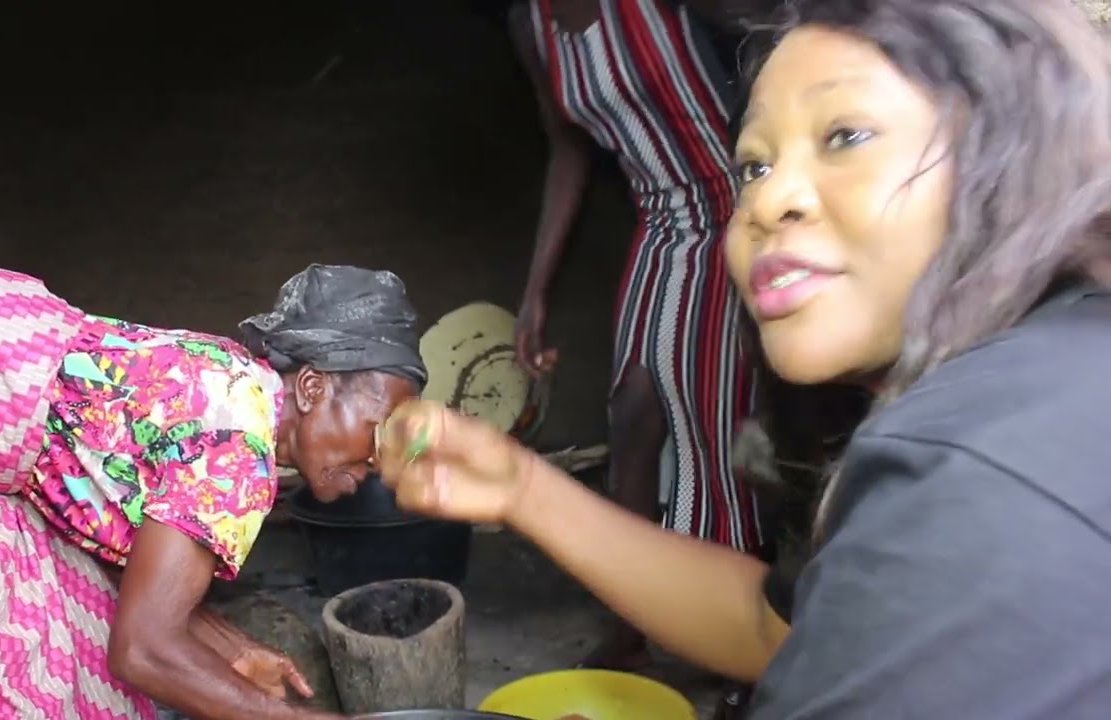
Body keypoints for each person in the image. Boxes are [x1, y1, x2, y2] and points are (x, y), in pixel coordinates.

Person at [378, 0, 1111, 716]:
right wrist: (521, 488)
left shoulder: (977, 469)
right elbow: (779, 634)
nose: (768, 201)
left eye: (846, 135)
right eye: (753, 167)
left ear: (1008, 151)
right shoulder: (1047, 377)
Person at [0, 244, 426, 720]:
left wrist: (233, 649)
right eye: (380, 433)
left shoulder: (236, 392)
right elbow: (143, 650)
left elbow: (148, 585)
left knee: (72, 637)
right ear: (314, 388)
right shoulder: (234, 448)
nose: (379, 462)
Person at [506, 0, 762, 670]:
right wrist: (537, 290)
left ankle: (741, 646)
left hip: (740, 210)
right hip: (664, 224)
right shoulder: (531, 23)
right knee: (632, 414)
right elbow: (568, 147)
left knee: (711, 430)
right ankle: (633, 620)